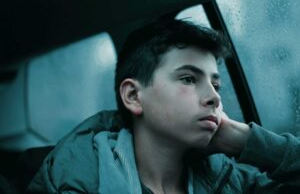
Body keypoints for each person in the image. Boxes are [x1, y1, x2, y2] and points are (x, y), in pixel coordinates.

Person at [26, 18, 300, 193]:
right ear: (133, 95)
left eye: (216, 85)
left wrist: (246, 141)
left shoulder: (227, 181)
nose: (214, 98)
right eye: (189, 78)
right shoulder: (78, 180)